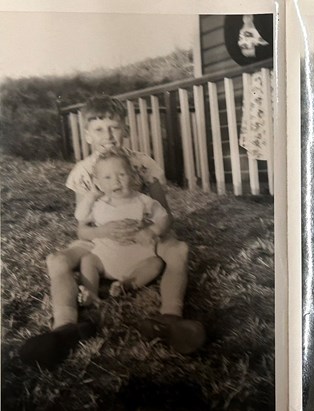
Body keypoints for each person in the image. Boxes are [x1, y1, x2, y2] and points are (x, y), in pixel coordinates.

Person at [20, 96, 205, 369]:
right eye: (98, 129)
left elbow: (165, 214)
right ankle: (64, 328)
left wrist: (150, 232)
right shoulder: (83, 171)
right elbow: (82, 227)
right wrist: (104, 232)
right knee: (57, 260)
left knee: (179, 249)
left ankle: (170, 318)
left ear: (125, 129)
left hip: (143, 232)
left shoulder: (143, 164)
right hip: (101, 237)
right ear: (87, 135)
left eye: (114, 127)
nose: (108, 135)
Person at [75, 148, 168, 306]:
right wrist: (90, 197)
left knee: (155, 263)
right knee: (88, 260)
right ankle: (90, 291)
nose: (116, 181)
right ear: (98, 183)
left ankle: (125, 285)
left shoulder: (142, 200)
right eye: (107, 177)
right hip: (105, 258)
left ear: (132, 176)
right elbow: (80, 217)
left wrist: (152, 230)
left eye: (122, 175)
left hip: (137, 256)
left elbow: (163, 217)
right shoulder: (98, 205)